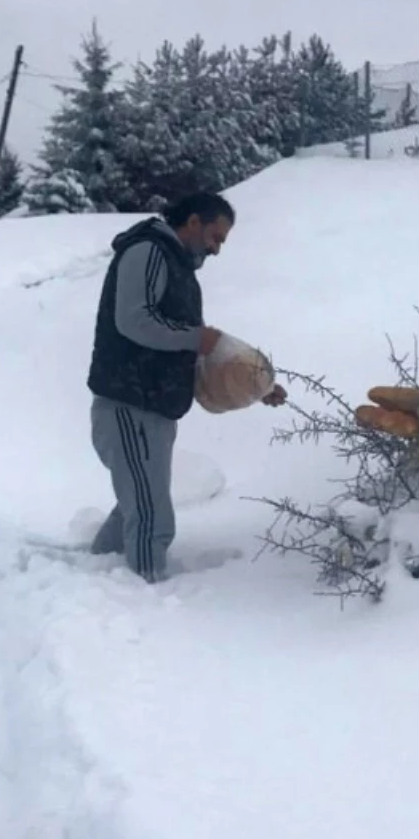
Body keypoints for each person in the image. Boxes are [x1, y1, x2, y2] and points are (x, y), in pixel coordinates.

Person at [87, 190, 286, 582]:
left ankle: (94, 573)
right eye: (216, 237)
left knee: (138, 503)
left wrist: (259, 387)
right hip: (127, 400)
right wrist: (195, 338)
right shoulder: (148, 251)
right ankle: (143, 591)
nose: (216, 249)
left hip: (156, 404)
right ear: (193, 221)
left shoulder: (179, 268)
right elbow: (135, 321)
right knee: (150, 513)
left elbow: (193, 346)